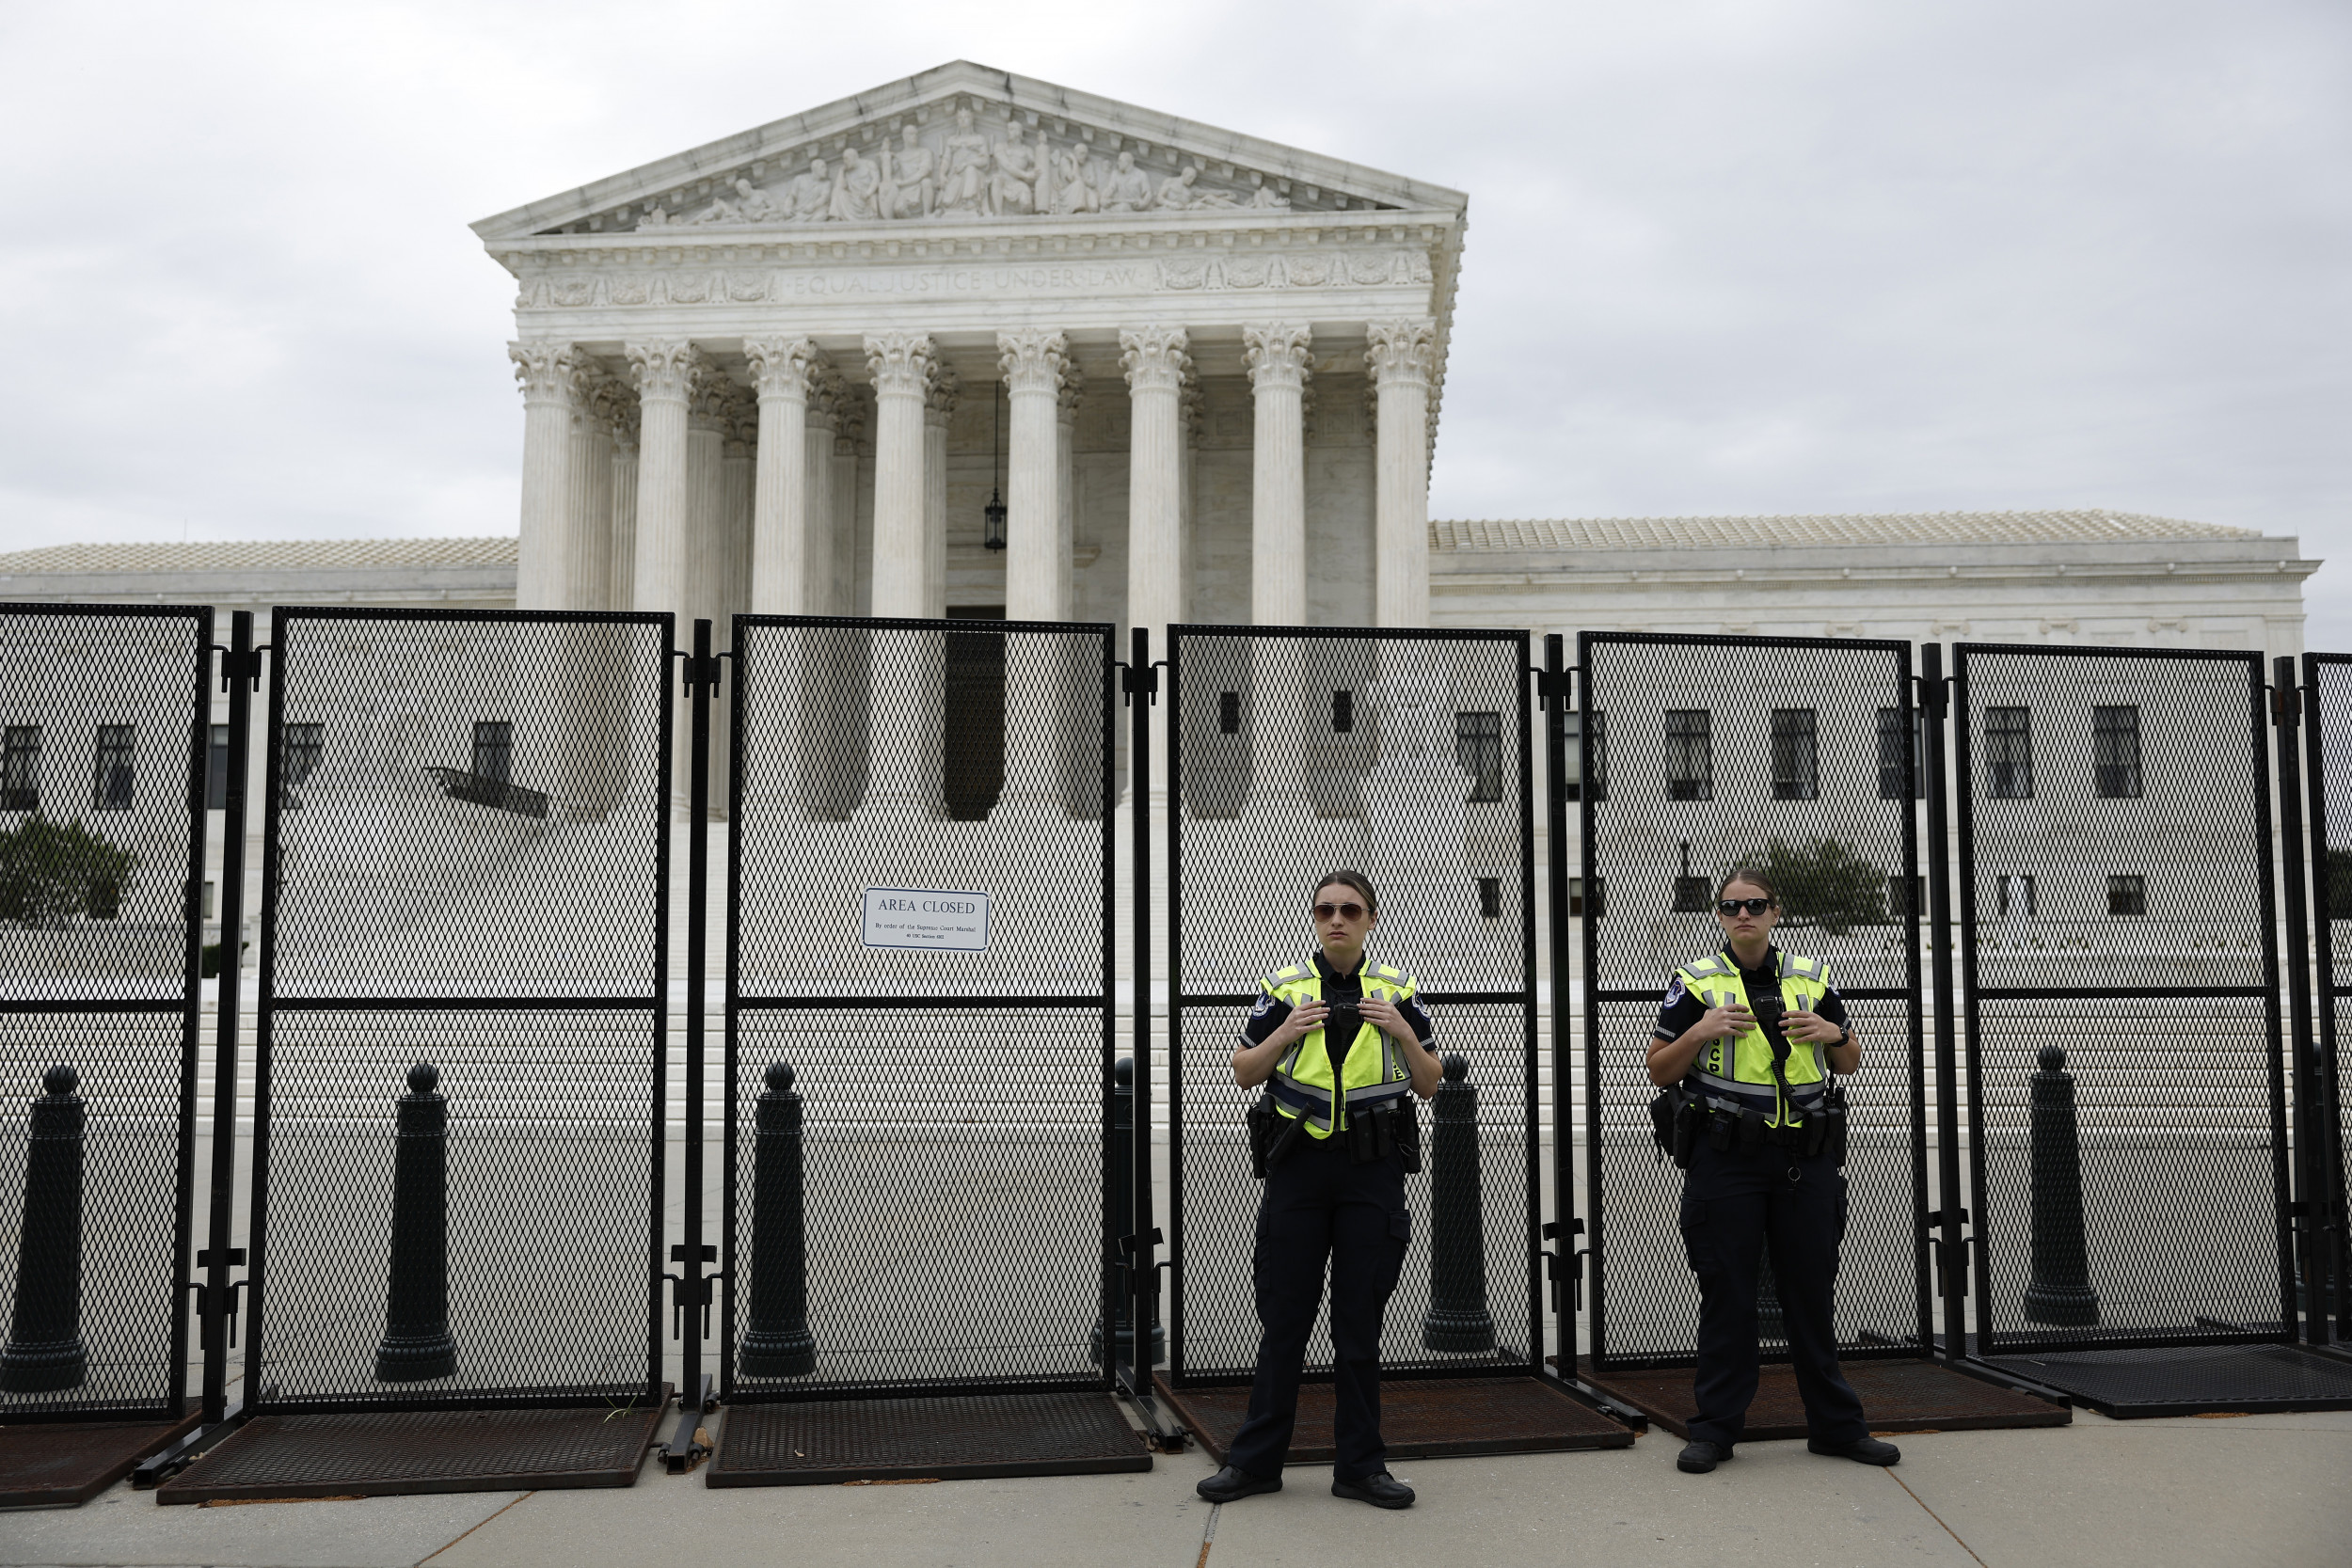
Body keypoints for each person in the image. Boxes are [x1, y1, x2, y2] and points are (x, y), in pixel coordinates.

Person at [1195, 870, 1442, 1512]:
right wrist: (1284, 1033)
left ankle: (1360, 1466)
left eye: (1350, 910)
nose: (1337, 919)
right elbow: (1245, 1070)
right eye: (1327, 909)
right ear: (1314, 917)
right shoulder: (1284, 988)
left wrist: (1404, 1031)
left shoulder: (1395, 991)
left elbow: (1430, 1083)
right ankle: (1255, 1462)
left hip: (1371, 1170)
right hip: (1298, 1171)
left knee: (1359, 1326)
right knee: (1284, 1321)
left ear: (1371, 917)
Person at [1647, 868, 1901, 1474]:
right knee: (1727, 1296)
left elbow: (1851, 1059)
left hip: (1803, 1161)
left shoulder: (1812, 980)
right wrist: (1703, 1030)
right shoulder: (1696, 984)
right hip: (1727, 1161)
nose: (1744, 915)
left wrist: (1835, 1032)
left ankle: (1837, 1428)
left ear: (1775, 912)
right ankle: (1714, 1430)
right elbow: (1658, 1069)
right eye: (1732, 906)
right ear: (1720, 915)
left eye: (1755, 905)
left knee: (1810, 1295)